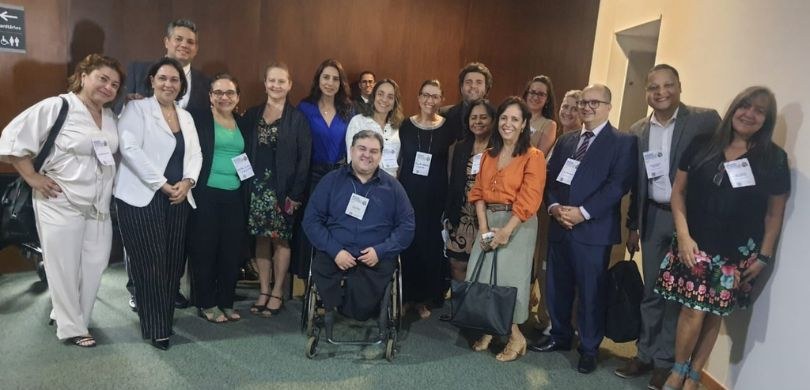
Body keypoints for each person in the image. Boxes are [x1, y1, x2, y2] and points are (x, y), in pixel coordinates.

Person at [655, 86, 788, 390]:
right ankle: (678, 371)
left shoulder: (774, 159)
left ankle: (694, 375)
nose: (749, 114)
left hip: (737, 252)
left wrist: (764, 256)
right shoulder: (703, 144)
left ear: (766, 120)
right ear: (733, 108)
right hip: (695, 243)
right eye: (745, 105)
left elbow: (774, 214)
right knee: (692, 310)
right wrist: (684, 237)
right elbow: (678, 193)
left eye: (759, 110)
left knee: (714, 313)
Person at [0, 54, 124, 348]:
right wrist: (33, 178)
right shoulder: (57, 106)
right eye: (102, 79)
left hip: (98, 207)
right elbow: (12, 139)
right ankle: (72, 327)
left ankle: (72, 314)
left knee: (94, 264)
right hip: (59, 200)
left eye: (115, 84)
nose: (108, 87)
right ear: (83, 76)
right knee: (63, 266)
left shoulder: (110, 117)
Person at [616, 64, 721, 389]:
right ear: (646, 91)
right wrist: (633, 225)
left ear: (679, 86)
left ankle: (665, 361)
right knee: (652, 291)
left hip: (690, 220)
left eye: (668, 85)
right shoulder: (637, 130)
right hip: (652, 216)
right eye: (654, 87)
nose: (661, 93)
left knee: (676, 294)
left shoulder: (705, 121)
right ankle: (644, 354)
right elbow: (637, 183)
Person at [530, 84, 637, 374]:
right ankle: (560, 335)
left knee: (591, 293)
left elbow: (618, 185)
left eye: (594, 102)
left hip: (593, 230)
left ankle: (588, 348)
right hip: (560, 226)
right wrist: (554, 209)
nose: (587, 107)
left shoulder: (623, 142)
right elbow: (550, 181)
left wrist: (582, 213)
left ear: (608, 106)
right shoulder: (567, 141)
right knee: (558, 286)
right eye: (584, 103)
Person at [120, 18, 210, 310]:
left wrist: (188, 179)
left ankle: (169, 288)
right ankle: (138, 288)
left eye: (190, 42)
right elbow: (124, 122)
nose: (184, 45)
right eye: (179, 39)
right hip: (143, 178)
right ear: (167, 41)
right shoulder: (138, 72)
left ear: (196, 49)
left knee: (175, 241)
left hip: (182, 175)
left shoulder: (206, 83)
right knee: (141, 244)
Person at [115, 57, 202, 350]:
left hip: (179, 198)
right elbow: (129, 149)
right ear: (152, 80)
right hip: (143, 197)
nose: (168, 84)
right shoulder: (136, 108)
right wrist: (163, 184)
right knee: (150, 264)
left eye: (175, 80)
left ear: (182, 86)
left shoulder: (185, 116)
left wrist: (188, 181)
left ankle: (164, 318)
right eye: (163, 78)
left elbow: (196, 154)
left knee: (172, 264)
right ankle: (157, 328)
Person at [302, 130, 415, 323]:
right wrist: (335, 251)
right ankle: (337, 307)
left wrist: (381, 251)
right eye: (362, 149)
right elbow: (311, 220)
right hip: (334, 254)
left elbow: (407, 225)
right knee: (323, 268)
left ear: (381, 155)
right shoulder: (330, 181)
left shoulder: (393, 187)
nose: (367, 155)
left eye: (374, 151)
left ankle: (359, 311)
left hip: (374, 258)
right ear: (352, 150)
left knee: (370, 288)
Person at [465, 96, 546, 362]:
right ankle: (491, 327)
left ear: (524, 124)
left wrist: (505, 232)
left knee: (507, 281)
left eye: (514, 119)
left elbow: (529, 199)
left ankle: (515, 336)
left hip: (517, 225)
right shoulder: (487, 156)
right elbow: (477, 193)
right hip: (489, 221)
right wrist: (485, 227)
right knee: (484, 276)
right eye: (503, 118)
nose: (507, 123)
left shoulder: (534, 157)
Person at [240, 63, 311, 317]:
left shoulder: (298, 119)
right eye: (272, 80)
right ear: (265, 82)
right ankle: (263, 290)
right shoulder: (252, 114)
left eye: (281, 81)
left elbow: (305, 160)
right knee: (260, 238)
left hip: (284, 192)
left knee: (281, 240)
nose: (276, 85)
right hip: (257, 188)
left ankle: (278, 291)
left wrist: (296, 195)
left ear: (289, 85)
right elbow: (242, 150)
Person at [187, 73, 249, 323]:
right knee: (205, 251)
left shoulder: (242, 122)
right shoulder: (199, 119)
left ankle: (225, 301)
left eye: (230, 93)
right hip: (206, 194)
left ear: (237, 97)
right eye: (219, 93)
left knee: (230, 252)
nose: (225, 97)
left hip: (235, 195)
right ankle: (206, 302)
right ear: (210, 96)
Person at [398, 80, 456, 319]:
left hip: (436, 194)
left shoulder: (448, 127)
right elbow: (400, 160)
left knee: (430, 246)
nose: (430, 101)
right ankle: (405, 297)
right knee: (408, 243)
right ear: (419, 97)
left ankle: (424, 299)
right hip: (409, 192)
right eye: (426, 95)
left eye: (435, 96)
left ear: (441, 99)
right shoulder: (405, 126)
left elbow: (452, 163)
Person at [293, 59, 354, 278]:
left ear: (341, 83)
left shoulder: (349, 109)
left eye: (335, 79)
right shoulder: (305, 107)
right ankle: (308, 276)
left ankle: (332, 275)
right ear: (318, 80)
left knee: (336, 226)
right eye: (325, 77)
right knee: (312, 224)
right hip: (312, 175)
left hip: (340, 176)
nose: (330, 82)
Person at [444, 99, 495, 282]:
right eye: (474, 117)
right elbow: (453, 179)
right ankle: (459, 308)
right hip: (461, 213)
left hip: (487, 217)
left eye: (483, 117)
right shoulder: (461, 146)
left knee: (483, 265)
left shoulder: (499, 148)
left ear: (492, 120)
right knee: (457, 263)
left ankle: (476, 308)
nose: (478, 122)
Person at [345, 78, 404, 177]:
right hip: (363, 183)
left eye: (390, 97)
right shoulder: (358, 122)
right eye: (380, 94)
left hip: (389, 184)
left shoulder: (397, 126)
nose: (384, 100)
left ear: (395, 102)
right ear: (374, 96)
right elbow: (351, 159)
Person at [441, 62, 493, 141]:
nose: (473, 86)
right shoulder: (444, 115)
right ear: (461, 88)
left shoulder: (496, 117)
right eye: (468, 82)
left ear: (486, 89)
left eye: (479, 82)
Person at [522, 75, 558, 155]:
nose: (535, 97)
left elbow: (539, 156)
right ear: (527, 94)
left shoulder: (550, 125)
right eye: (532, 92)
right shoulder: (517, 117)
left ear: (547, 99)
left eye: (541, 94)